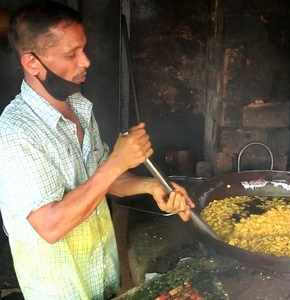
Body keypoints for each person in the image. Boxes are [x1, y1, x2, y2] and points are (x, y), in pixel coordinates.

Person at [0, 1, 194, 299]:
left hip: (101, 272)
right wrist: (117, 162)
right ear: (32, 63)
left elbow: (105, 179)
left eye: (84, 49)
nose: (86, 61)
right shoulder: (14, 132)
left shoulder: (79, 106)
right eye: (72, 54)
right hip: (61, 289)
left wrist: (151, 186)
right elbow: (51, 226)